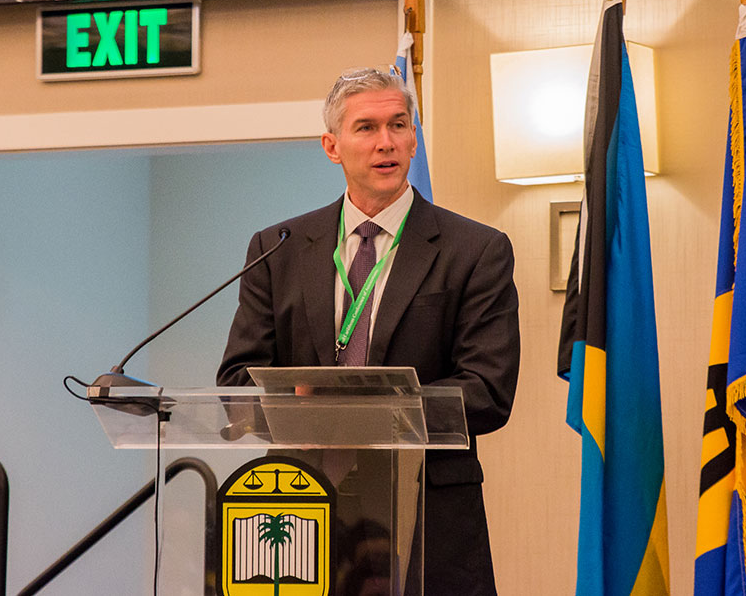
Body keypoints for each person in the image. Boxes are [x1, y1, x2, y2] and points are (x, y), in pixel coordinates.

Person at [217, 67, 520, 595]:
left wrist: (368, 410)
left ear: (413, 139)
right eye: (366, 128)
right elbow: (237, 382)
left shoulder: (475, 250)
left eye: (398, 125)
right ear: (332, 146)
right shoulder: (278, 247)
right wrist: (296, 404)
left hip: (425, 512)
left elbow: (487, 391)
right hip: (300, 504)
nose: (386, 142)